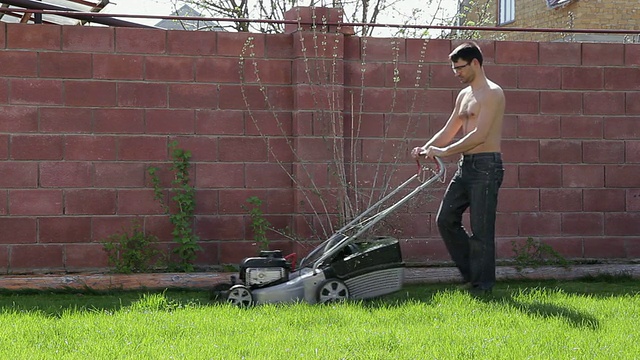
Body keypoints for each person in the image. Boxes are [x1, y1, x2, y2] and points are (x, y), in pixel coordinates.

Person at [411, 41, 505, 293]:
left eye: (461, 68)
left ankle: (482, 286)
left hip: (487, 167)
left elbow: (479, 135)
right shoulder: (464, 95)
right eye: (454, 69)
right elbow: (450, 129)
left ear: (475, 63)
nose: (457, 73)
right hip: (467, 167)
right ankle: (473, 274)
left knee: (481, 230)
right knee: (446, 219)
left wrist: (443, 152)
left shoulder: (493, 93)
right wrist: (426, 147)